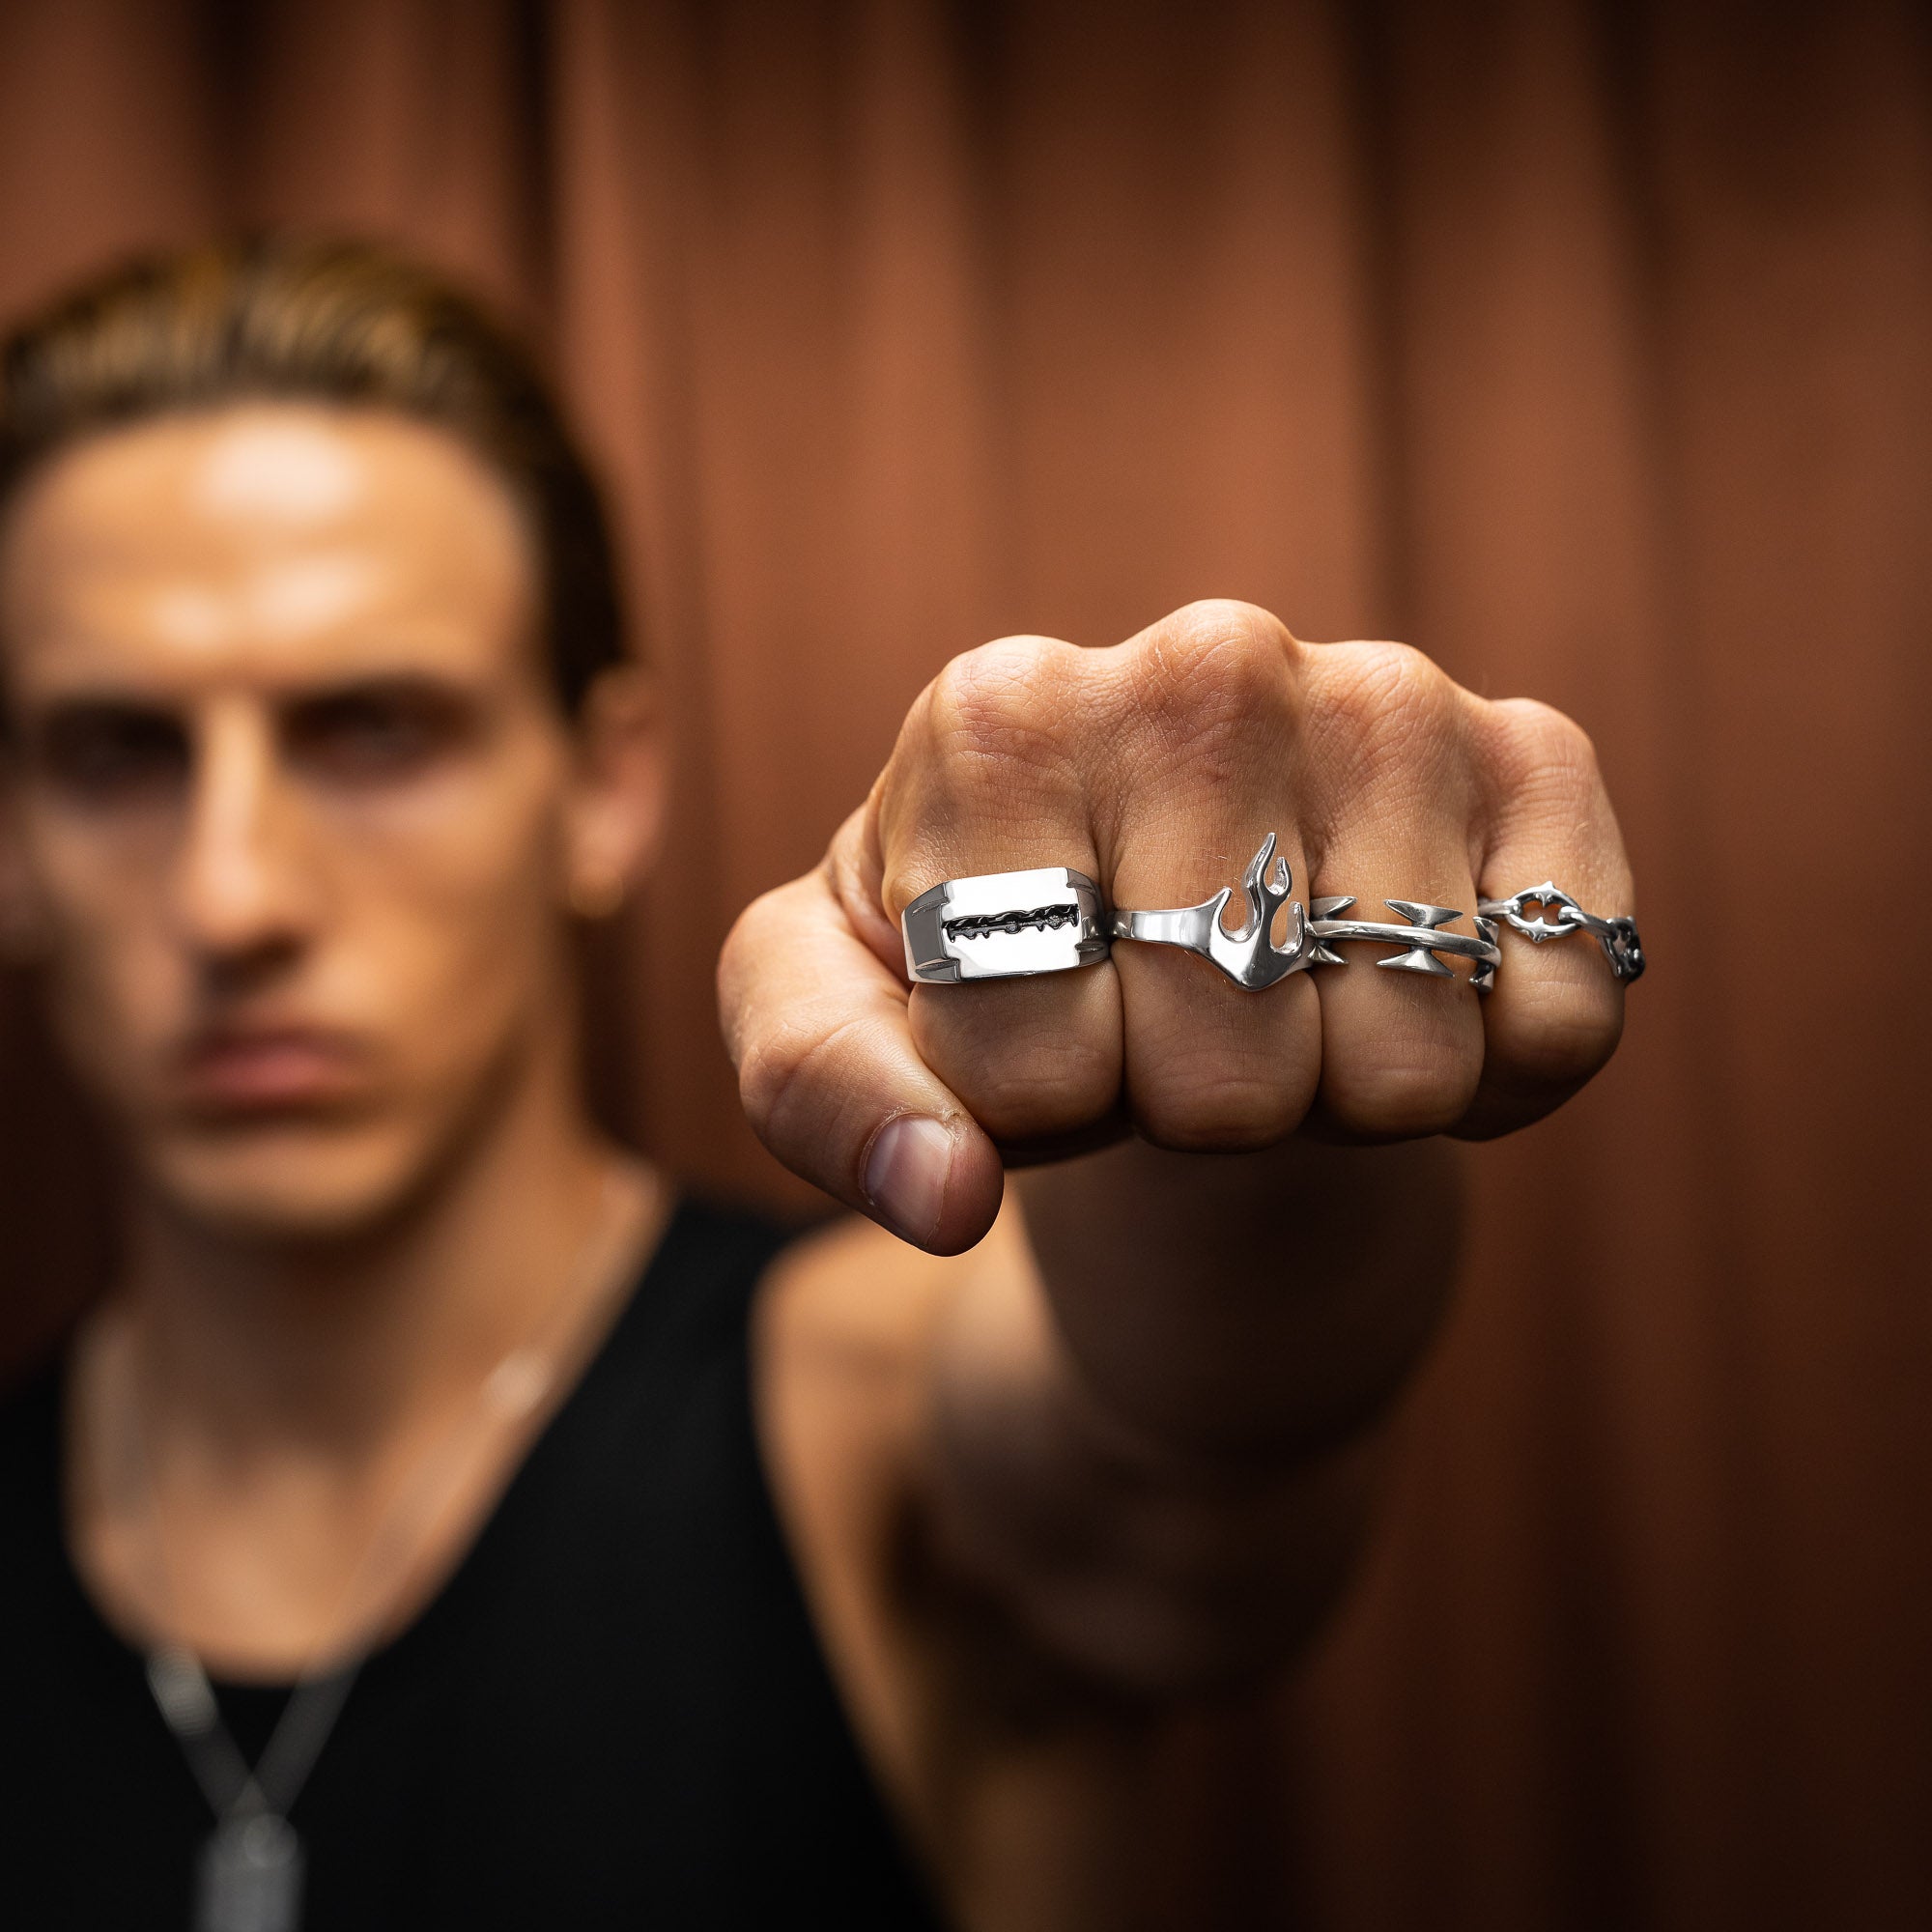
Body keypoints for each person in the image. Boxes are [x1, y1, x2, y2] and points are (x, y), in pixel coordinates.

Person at [0, 239, 1635, 1930]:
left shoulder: (868, 1428)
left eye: (374, 730)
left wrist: (1235, 1087)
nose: (232, 898)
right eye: (115, 754)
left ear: (603, 790)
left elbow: (1186, 1455)